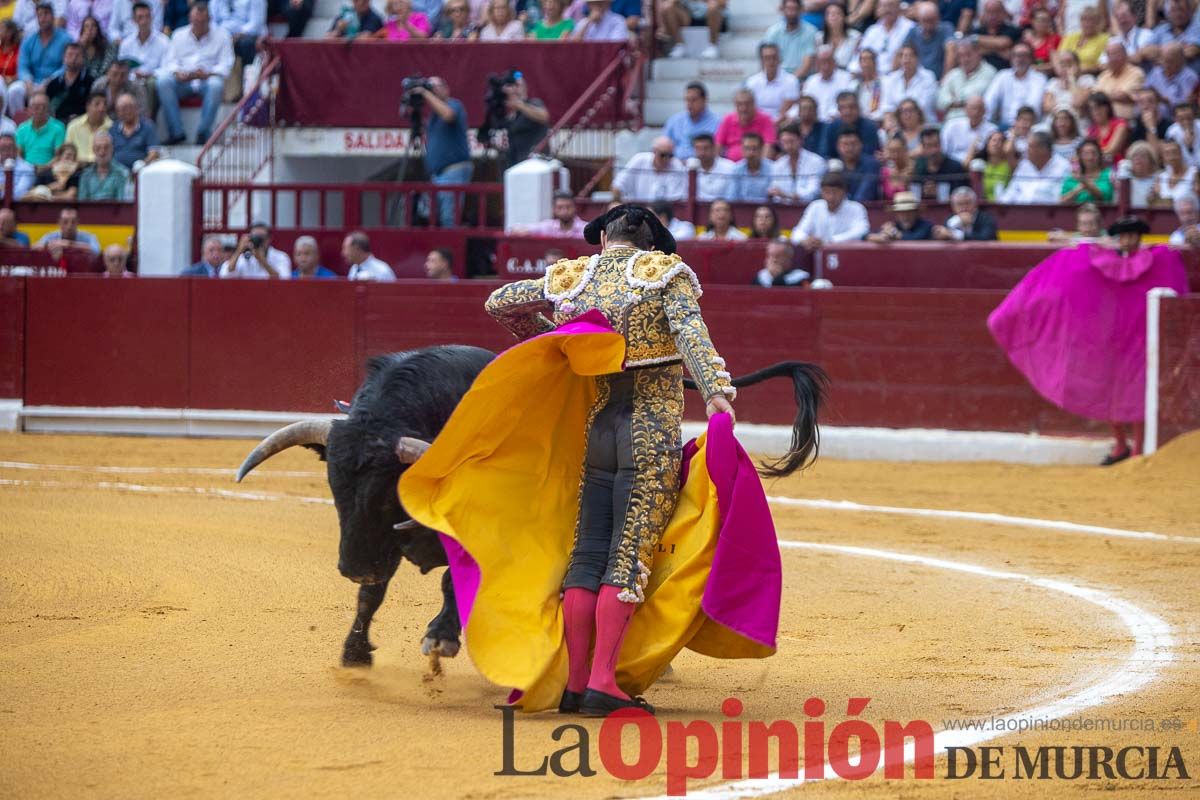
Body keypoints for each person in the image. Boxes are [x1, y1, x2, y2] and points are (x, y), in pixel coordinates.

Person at [425, 203, 782, 717]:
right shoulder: (666, 272)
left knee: (587, 555)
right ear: (651, 244)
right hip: (649, 430)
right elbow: (688, 333)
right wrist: (717, 392)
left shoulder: (574, 276)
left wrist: (559, 344)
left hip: (598, 429)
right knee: (628, 553)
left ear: (604, 238)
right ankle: (603, 684)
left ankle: (573, 685)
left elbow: (501, 302)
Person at [988, 216, 1188, 465]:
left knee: (1137, 395)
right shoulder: (1095, 259)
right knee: (1109, 392)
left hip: (1141, 343)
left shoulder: (1158, 259)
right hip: (1109, 341)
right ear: (1117, 238)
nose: (1128, 240)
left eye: (1133, 235)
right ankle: (1120, 446)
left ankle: (1137, 450)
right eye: (1124, 236)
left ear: (1140, 237)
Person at [156, 1, 234, 145]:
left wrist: (208, 73)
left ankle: (203, 133)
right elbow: (170, 63)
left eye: (202, 22)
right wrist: (178, 73)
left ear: (209, 20)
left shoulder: (222, 35)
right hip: (183, 82)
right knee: (163, 81)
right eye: (195, 21)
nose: (198, 24)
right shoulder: (179, 35)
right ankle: (177, 132)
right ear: (189, 19)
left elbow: (226, 66)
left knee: (216, 84)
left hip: (207, 81)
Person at [410, 76, 472, 228]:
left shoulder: (454, 104)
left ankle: (450, 249)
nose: (432, 90)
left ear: (446, 88)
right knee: (431, 216)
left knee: (448, 217)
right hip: (437, 173)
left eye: (434, 86)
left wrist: (425, 93)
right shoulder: (433, 116)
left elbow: (449, 115)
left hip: (453, 169)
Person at [9, 3, 71, 114]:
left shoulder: (66, 39)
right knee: (15, 91)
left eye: (46, 14)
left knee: (58, 89)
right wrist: (28, 81)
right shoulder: (29, 40)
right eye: (40, 15)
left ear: (53, 16)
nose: (43, 18)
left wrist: (49, 81)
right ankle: (20, 123)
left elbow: (66, 66)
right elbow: (23, 65)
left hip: (55, 81)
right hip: (32, 81)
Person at [790, 172, 870, 250]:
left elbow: (861, 232)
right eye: (827, 192)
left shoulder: (857, 208)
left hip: (847, 255)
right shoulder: (815, 206)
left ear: (844, 192)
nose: (831, 197)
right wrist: (805, 240)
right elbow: (797, 232)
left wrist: (828, 241)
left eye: (835, 192)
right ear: (821, 192)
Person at [119, 2, 170, 114]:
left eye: (147, 17)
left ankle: (148, 119)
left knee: (150, 84)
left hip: (152, 80)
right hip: (131, 81)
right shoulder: (126, 44)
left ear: (152, 18)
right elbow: (121, 68)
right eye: (140, 17)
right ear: (134, 20)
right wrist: (134, 75)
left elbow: (167, 68)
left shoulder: (163, 42)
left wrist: (150, 74)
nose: (145, 21)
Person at [984, 43, 1048, 127]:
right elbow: (989, 101)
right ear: (1011, 58)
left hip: (1030, 127)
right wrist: (985, 123)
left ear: (1030, 59)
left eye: (1024, 55)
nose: (1020, 59)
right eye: (1016, 55)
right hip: (1003, 126)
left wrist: (1020, 125)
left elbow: (1034, 105)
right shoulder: (1003, 75)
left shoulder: (1039, 78)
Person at [1001, 130, 1072, 203]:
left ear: (1043, 150)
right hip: (1019, 211)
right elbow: (1010, 193)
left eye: (1030, 147)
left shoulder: (1063, 167)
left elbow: (1061, 198)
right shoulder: (1024, 165)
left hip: (1048, 212)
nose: (1026, 150)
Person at [938, 36, 999, 120]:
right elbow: (940, 101)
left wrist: (954, 102)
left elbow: (977, 98)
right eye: (961, 56)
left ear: (978, 53)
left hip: (977, 122)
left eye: (968, 54)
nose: (965, 59)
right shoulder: (953, 74)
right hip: (951, 122)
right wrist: (964, 103)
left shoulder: (990, 73)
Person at [494, 73, 548, 166]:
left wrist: (519, 104)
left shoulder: (533, 103)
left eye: (517, 85)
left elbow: (544, 116)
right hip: (515, 164)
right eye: (511, 86)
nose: (514, 89)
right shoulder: (509, 115)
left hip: (534, 164)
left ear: (524, 88)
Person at [612, 137, 686, 202]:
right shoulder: (639, 160)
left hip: (665, 213)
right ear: (654, 151)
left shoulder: (677, 166)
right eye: (662, 155)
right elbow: (617, 186)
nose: (666, 159)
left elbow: (678, 199)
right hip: (639, 211)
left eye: (670, 155)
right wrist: (618, 203)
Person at [770, 121, 825, 203]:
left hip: (810, 207)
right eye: (785, 142)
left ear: (801, 140)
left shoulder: (816, 161)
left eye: (792, 141)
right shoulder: (778, 164)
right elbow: (776, 194)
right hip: (784, 209)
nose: (788, 146)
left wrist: (787, 195)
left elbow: (813, 192)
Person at [714, 90, 776, 161]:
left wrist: (762, 168)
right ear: (735, 105)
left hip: (756, 165)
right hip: (731, 166)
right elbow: (717, 146)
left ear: (753, 104)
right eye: (740, 104)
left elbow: (768, 147)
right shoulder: (728, 119)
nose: (743, 108)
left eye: (747, 104)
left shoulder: (765, 119)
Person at [880, 44, 938, 121]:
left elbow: (923, 106)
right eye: (904, 56)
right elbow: (887, 106)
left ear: (917, 59)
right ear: (900, 60)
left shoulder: (928, 77)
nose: (907, 60)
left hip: (923, 122)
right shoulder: (892, 78)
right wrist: (890, 123)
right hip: (896, 123)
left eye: (910, 56)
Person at [662, 82, 718, 160]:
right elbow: (663, 145)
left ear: (704, 100)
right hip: (675, 165)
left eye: (693, 100)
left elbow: (718, 150)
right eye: (687, 100)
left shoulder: (717, 122)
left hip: (704, 166)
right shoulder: (675, 121)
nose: (689, 104)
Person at [745, 42, 800, 122]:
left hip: (782, 123)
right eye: (767, 58)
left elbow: (787, 108)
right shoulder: (752, 82)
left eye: (774, 57)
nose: (771, 61)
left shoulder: (791, 81)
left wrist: (773, 124)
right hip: (758, 122)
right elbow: (751, 108)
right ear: (762, 61)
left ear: (779, 59)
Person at [761, 0, 818, 76]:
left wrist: (791, 82)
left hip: (804, 79)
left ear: (801, 10)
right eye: (789, 9)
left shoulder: (811, 32)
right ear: (782, 10)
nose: (792, 12)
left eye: (795, 9)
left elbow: (808, 63)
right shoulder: (772, 32)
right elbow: (767, 60)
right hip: (778, 78)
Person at [801, 45, 856, 123]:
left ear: (834, 62)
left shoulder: (846, 78)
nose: (825, 66)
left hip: (837, 121)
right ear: (817, 64)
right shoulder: (811, 81)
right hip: (814, 123)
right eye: (822, 62)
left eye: (828, 61)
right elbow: (805, 102)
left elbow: (848, 103)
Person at [913, 126, 968, 201]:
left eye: (936, 145)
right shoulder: (917, 167)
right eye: (929, 146)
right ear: (922, 147)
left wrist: (938, 192)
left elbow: (962, 197)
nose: (934, 150)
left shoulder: (956, 167)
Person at [860, 0, 915, 73]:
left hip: (899, 76)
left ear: (898, 7)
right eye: (883, 6)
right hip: (873, 76)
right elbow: (861, 54)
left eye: (891, 5)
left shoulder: (910, 28)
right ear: (878, 9)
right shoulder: (872, 30)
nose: (887, 9)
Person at [222, 222, 292, 279]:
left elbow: (284, 280)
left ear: (269, 239)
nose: (258, 241)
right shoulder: (245, 257)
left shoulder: (281, 257)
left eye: (261, 237)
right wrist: (239, 250)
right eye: (255, 237)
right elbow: (225, 275)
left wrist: (262, 260)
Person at [902, 1, 953, 79]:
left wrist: (945, 80)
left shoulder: (946, 28)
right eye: (925, 21)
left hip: (938, 78)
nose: (928, 25)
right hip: (917, 79)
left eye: (932, 20)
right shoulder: (913, 31)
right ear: (919, 20)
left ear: (938, 18)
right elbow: (901, 52)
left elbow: (951, 50)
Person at [45, 43, 94, 123]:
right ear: (63, 58)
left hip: (81, 123)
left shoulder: (90, 82)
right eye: (70, 55)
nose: (74, 58)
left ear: (83, 58)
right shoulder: (53, 83)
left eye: (77, 55)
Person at [1143, 42, 1197, 114]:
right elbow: (1144, 90)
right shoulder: (1156, 71)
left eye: (1169, 61)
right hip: (1154, 115)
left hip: (1174, 120)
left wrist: (1165, 101)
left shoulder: (1190, 77)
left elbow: (1185, 107)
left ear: (1180, 60)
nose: (1165, 64)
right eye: (1163, 59)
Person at [940, 95, 997, 163]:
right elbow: (943, 150)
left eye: (979, 109)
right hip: (952, 166)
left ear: (985, 111)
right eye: (973, 108)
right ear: (965, 109)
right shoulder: (951, 126)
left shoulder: (992, 130)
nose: (976, 112)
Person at [110, 90, 159, 168]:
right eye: (122, 109)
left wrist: (143, 164)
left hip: (141, 170)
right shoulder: (113, 129)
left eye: (128, 107)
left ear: (136, 108)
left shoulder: (148, 126)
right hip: (117, 173)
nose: (126, 111)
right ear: (117, 112)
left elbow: (154, 153)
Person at [15, 91, 64, 166]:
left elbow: (59, 156)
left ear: (48, 109)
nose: (40, 110)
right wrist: (28, 168)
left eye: (44, 107)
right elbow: (18, 155)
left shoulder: (58, 128)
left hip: (50, 170)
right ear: (29, 109)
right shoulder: (22, 128)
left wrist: (43, 168)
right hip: (26, 170)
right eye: (36, 107)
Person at [77, 130, 130, 200]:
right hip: (90, 211)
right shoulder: (86, 175)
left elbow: (123, 205)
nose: (102, 152)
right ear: (93, 150)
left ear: (112, 149)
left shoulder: (123, 173)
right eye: (98, 148)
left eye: (106, 147)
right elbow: (82, 204)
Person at [932, 185, 998, 240]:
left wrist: (956, 235)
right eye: (960, 204)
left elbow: (985, 239)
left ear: (975, 204)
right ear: (953, 207)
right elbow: (944, 234)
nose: (964, 208)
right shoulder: (950, 219)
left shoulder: (986, 219)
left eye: (967, 203)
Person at [835, 128, 881, 202]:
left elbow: (865, 194)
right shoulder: (835, 166)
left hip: (868, 209)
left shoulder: (872, 164)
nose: (849, 148)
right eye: (845, 144)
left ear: (861, 145)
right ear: (838, 147)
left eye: (853, 144)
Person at [867, 190, 934, 241]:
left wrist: (893, 233)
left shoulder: (926, 226)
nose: (905, 216)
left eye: (909, 212)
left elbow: (915, 238)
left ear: (916, 212)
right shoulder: (894, 225)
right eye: (901, 212)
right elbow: (866, 235)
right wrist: (880, 235)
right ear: (896, 214)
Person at [972, 0, 1020, 70]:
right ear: (984, 14)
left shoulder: (1013, 30)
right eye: (989, 12)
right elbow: (974, 53)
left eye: (997, 12)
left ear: (1003, 13)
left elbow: (1002, 43)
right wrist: (998, 50)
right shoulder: (977, 31)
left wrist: (981, 44)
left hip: (1005, 71)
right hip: (980, 73)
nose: (993, 16)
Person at [64, 92, 112, 162]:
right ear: (88, 106)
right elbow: (67, 152)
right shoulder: (73, 126)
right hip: (77, 167)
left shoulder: (112, 127)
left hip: (102, 167)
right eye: (97, 104)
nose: (101, 108)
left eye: (104, 105)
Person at [728, 132, 774, 203]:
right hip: (742, 209)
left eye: (754, 149)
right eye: (747, 148)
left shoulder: (772, 168)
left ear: (762, 149)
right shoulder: (736, 169)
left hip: (766, 210)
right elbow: (733, 197)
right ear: (742, 150)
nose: (751, 153)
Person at [35, 206, 100, 255]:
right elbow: (34, 247)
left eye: (73, 222)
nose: (69, 226)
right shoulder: (51, 236)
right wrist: (51, 244)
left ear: (78, 222)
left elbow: (96, 251)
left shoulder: (89, 237)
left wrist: (69, 244)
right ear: (59, 223)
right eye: (65, 222)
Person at [688, 132, 733, 201]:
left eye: (705, 148)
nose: (702, 152)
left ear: (714, 148)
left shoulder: (729, 167)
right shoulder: (689, 167)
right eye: (698, 148)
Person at [1086, 91, 1129, 162]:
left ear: (1107, 107)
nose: (1095, 111)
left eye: (1098, 107)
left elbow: (1112, 150)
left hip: (1118, 165)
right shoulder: (1091, 130)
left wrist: (1090, 154)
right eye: (1092, 109)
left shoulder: (1120, 124)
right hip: (1100, 166)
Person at [519, 192, 587, 236]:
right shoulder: (547, 227)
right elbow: (515, 230)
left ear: (575, 208)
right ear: (554, 209)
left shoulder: (586, 229)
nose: (564, 211)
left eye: (568, 207)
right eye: (560, 207)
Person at [817, 2, 860, 71]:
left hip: (848, 75)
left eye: (838, 13)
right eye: (830, 14)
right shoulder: (819, 37)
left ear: (844, 17)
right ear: (825, 18)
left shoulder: (855, 36)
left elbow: (856, 62)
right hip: (825, 76)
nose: (834, 16)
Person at [0, 132, 35, 200]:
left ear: (16, 149)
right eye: (3, 148)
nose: (6, 151)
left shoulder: (27, 168)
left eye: (9, 147)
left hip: (18, 208)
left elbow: (18, 194)